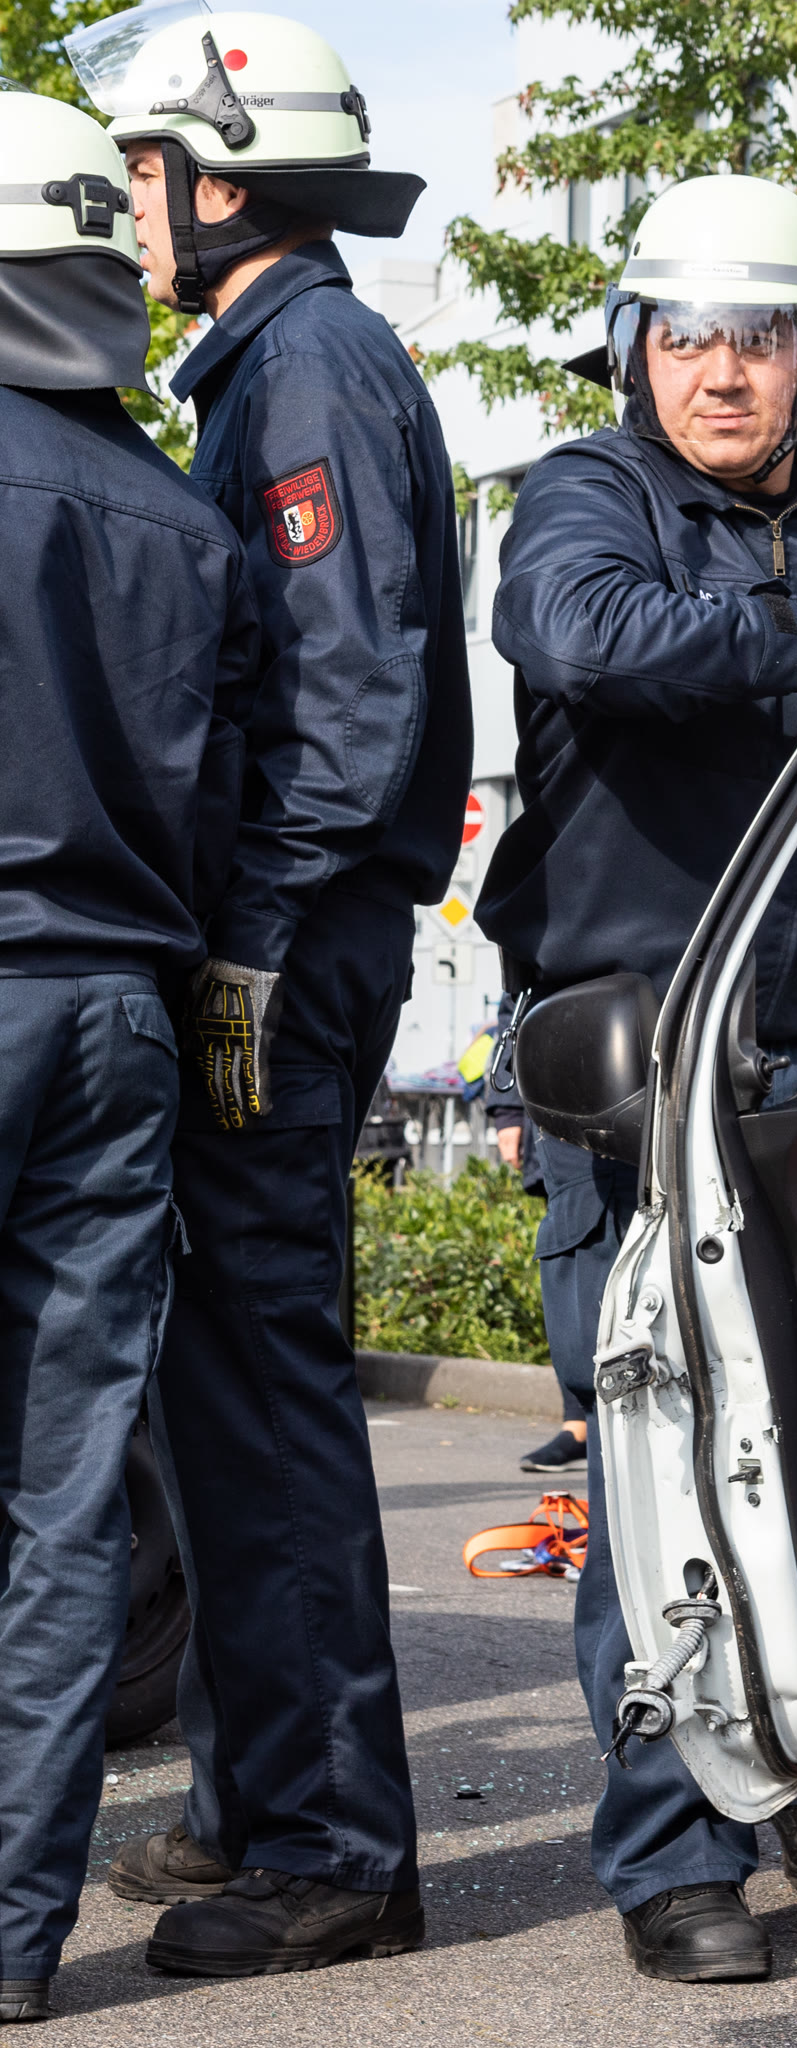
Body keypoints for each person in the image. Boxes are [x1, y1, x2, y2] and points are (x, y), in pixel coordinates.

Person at [475, 173, 797, 1983]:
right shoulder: (582, 497)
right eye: (686, 336)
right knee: (662, 1450)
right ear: (634, 350)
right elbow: (581, 636)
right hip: (643, 1049)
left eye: (759, 336)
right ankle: (674, 1857)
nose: (723, 371)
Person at [67, 6, 473, 1977]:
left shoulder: (305, 365)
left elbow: (351, 687)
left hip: (289, 947)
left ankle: (337, 1850)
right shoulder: (270, 359)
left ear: (223, 181)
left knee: (265, 1382)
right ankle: (255, 1799)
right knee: (217, 1378)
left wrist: (259, 931)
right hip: (286, 934)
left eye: (142, 171)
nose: (125, 207)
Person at [0, 89, 258, 2023]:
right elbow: (230, 812)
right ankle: (12, 1938)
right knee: (68, 1497)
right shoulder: (187, 520)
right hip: (119, 1017)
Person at [486, 993, 587, 1473]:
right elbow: (517, 1001)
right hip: (563, 1096)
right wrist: (507, 1109)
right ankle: (580, 1425)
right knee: (574, 1270)